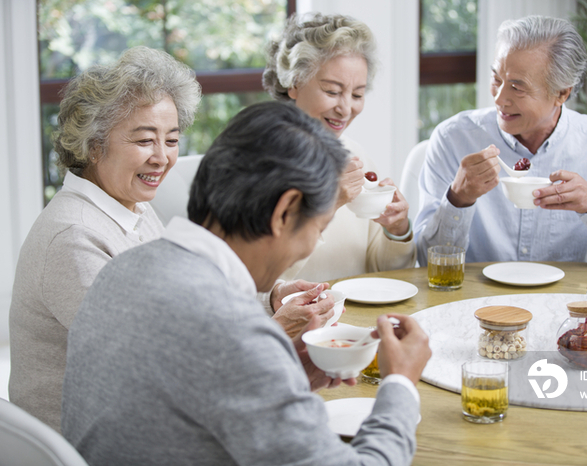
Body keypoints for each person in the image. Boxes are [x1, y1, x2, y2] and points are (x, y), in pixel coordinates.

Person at [62, 101, 432, 466]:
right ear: (284, 212)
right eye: (318, 228)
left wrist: (281, 378)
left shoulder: (122, 269)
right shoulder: (235, 333)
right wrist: (399, 384)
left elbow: (175, 406)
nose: (308, 244)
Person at [8, 46, 201, 432]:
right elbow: (151, 361)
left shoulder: (131, 207)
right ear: (94, 145)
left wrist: (269, 303)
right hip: (87, 442)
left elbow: (181, 302)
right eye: (145, 140)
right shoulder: (73, 236)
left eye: (172, 139)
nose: (162, 157)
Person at [414, 15, 587, 267]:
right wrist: (459, 198)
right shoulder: (452, 139)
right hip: (476, 301)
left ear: (561, 93)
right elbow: (427, 262)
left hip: (565, 303)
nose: (499, 99)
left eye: (517, 88)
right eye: (496, 80)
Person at [262, 13, 417, 289]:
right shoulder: (261, 160)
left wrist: (396, 231)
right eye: (333, 91)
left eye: (357, 95)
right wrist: (328, 203)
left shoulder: (354, 155)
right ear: (295, 83)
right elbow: (260, 278)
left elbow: (385, 275)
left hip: (359, 322)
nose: (346, 109)